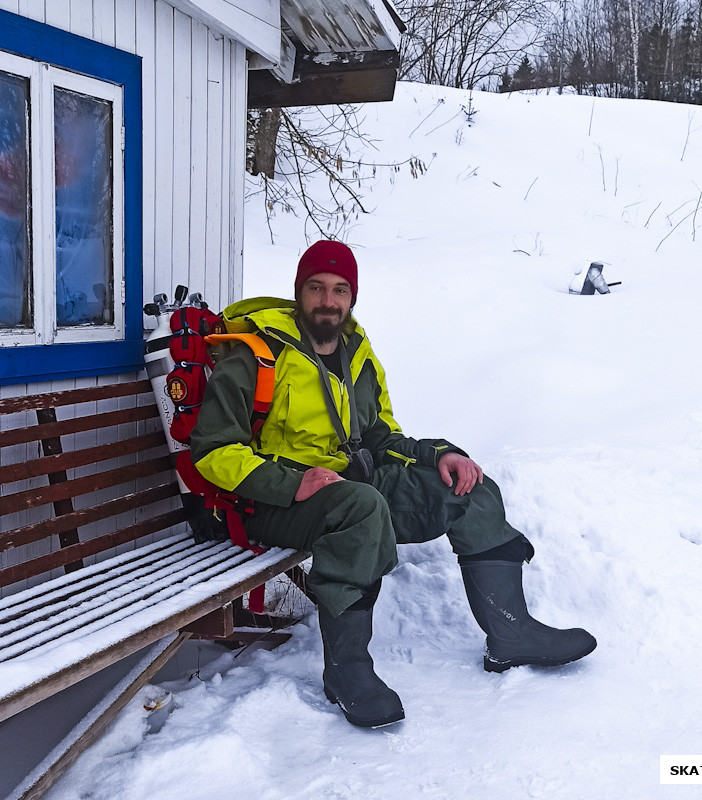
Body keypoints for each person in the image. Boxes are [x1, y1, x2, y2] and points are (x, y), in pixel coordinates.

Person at [191, 240, 596, 729]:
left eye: (340, 290)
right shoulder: (256, 353)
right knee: (360, 507)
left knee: (471, 488)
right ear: (299, 292)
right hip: (271, 501)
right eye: (316, 287)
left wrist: (439, 454)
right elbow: (213, 451)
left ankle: (511, 635)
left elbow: (380, 435)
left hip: (346, 487)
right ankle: (347, 672)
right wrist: (290, 484)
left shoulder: (357, 352)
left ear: (352, 297)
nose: (328, 300)